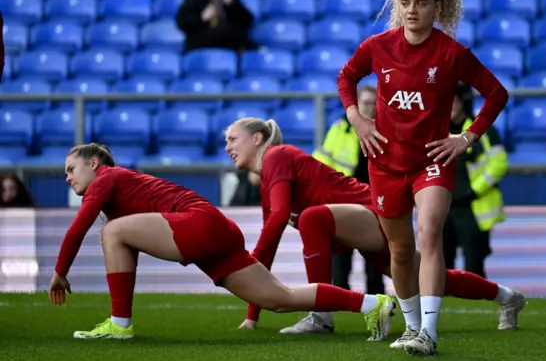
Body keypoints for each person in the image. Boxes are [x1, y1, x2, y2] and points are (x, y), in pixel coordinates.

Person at [336, 0, 509, 356]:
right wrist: (357, 119)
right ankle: (413, 328)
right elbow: (346, 77)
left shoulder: (452, 52)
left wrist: (465, 138)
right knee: (398, 251)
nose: (412, 10)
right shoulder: (377, 46)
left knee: (429, 234)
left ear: (438, 8)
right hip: (385, 162)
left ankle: (429, 333)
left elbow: (496, 93)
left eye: (421, 2)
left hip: (431, 161)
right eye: (406, 2)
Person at [48, 143, 396, 340]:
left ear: (94, 163)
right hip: (215, 228)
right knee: (280, 298)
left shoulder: (107, 177)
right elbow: (125, 246)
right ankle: (373, 305)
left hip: (198, 223)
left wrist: (61, 271)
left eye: (71, 169)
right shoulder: (117, 189)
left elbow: (80, 227)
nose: (67, 178)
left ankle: (120, 325)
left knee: (111, 231)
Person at [225, 118, 525, 341]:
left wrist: (245, 270)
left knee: (311, 218)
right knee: (429, 278)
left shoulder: (277, 155)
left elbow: (276, 223)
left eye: (232, 139)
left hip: (373, 210)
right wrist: (253, 315)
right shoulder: (267, 183)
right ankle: (507, 296)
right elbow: (269, 241)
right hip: (362, 220)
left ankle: (320, 316)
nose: (227, 148)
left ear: (257, 138)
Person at [312, 84, 385, 296]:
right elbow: (322, 164)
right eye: (365, 103)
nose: (370, 108)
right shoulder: (339, 128)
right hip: (342, 200)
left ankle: (376, 298)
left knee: (375, 254)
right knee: (341, 255)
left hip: (374, 201)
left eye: (373, 103)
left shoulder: (386, 130)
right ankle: (341, 297)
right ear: (356, 105)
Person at [444, 83, 508, 278]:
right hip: (443, 207)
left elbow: (498, 163)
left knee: (474, 264)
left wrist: (473, 191)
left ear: (463, 102)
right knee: (441, 265)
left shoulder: (481, 129)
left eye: (452, 101)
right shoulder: (435, 131)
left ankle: (478, 303)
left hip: (473, 207)